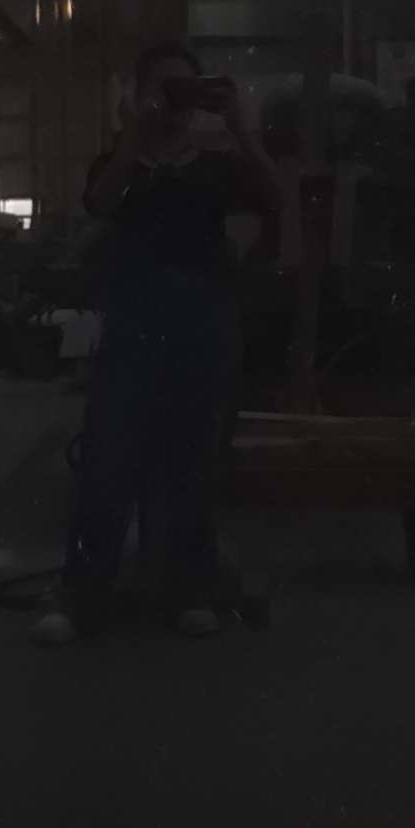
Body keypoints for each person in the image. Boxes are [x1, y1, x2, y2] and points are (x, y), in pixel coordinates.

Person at [34, 42, 280, 643]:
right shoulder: (123, 163)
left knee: (191, 464)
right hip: (134, 326)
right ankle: (82, 592)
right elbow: (99, 202)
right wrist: (134, 137)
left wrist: (239, 126)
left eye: (185, 88)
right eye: (163, 88)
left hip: (201, 325)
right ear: (141, 94)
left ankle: (187, 589)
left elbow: (275, 196)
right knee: (107, 461)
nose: (174, 101)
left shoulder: (216, 166)